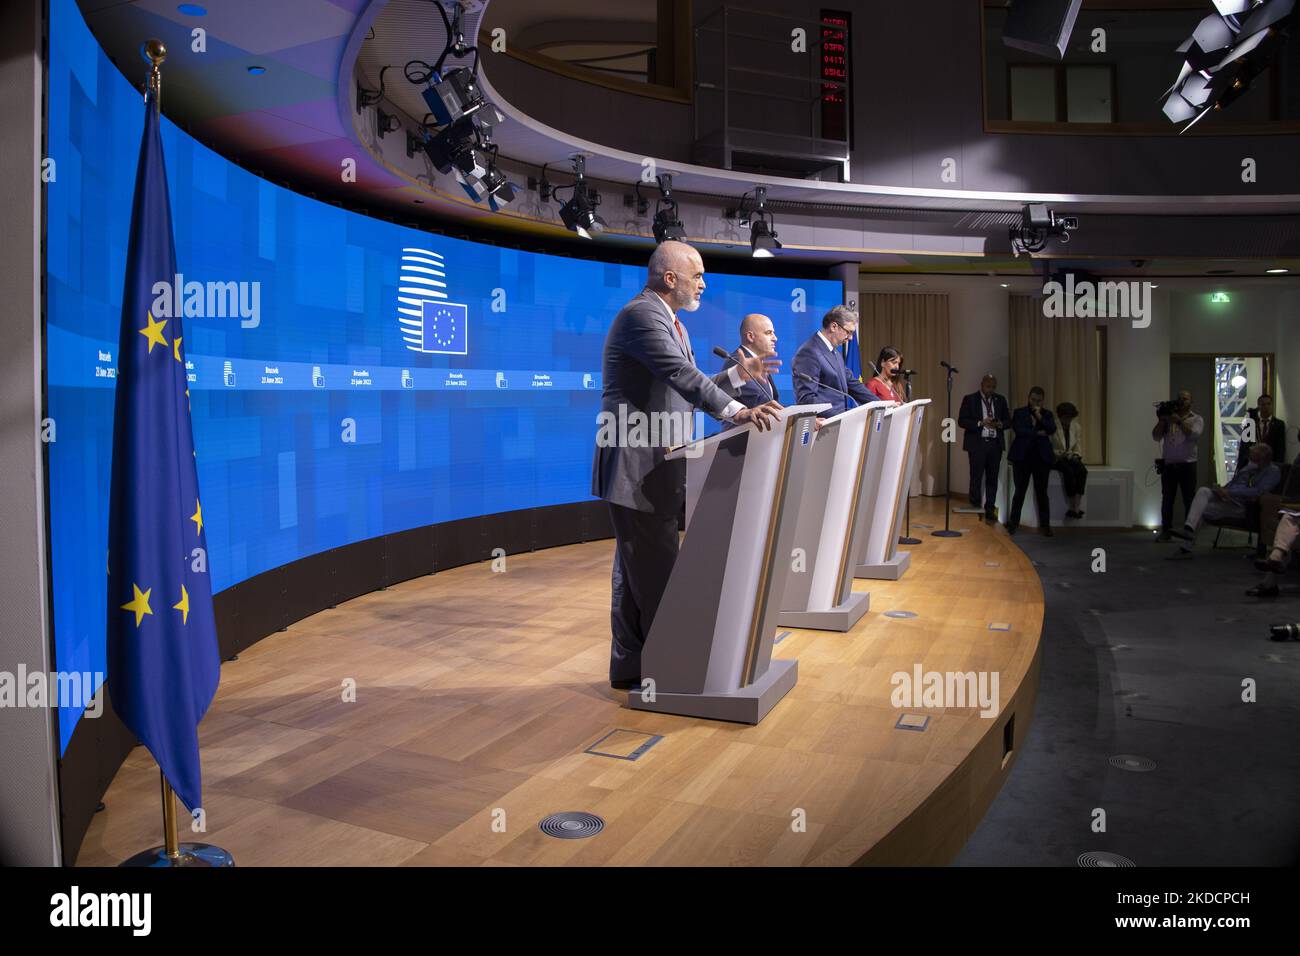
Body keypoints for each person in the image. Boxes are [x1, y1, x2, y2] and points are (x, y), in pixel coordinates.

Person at [592, 241, 781, 690]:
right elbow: (683, 376)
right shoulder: (643, 315)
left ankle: (633, 669)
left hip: (654, 469)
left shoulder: (669, 322)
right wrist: (737, 411)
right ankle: (673, 674)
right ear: (668, 278)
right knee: (656, 578)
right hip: (637, 467)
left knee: (636, 577)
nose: (703, 282)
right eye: (696, 273)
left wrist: (738, 374)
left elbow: (684, 385)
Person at [1172, 443, 1280, 553]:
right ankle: (1188, 529)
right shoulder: (1249, 467)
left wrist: (1230, 492)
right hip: (1228, 499)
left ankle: (1186, 545)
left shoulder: (1273, 471)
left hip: (1241, 506)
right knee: (1203, 491)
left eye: (1253, 453)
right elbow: (1234, 483)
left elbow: (1258, 491)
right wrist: (1221, 490)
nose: (1250, 455)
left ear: (1261, 456)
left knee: (1201, 509)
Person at [791, 305, 875, 418]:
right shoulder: (809, 352)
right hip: (825, 425)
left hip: (839, 423)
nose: (850, 338)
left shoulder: (834, 351)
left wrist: (880, 404)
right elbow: (806, 398)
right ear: (834, 326)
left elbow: (852, 383)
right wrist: (840, 417)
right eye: (848, 332)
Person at [958, 374, 1011, 522]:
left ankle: (990, 509)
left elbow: (1008, 421)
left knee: (992, 479)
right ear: (982, 385)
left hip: (995, 444)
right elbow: (962, 421)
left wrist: (1000, 424)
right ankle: (974, 507)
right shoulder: (970, 399)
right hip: (977, 443)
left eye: (993, 387)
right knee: (976, 477)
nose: (991, 390)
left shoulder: (1000, 400)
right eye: (988, 386)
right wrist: (980, 423)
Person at [1152, 390, 1203, 541]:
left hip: (1188, 465)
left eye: (1185, 399)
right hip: (1169, 465)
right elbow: (1156, 437)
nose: (1182, 401)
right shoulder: (1168, 419)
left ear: (1191, 402)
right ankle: (1166, 530)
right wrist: (1162, 420)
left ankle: (1189, 532)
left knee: (1188, 499)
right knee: (1167, 499)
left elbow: (1194, 435)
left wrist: (1179, 421)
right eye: (1179, 399)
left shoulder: (1197, 419)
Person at [1006, 386, 1057, 536]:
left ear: (1043, 401)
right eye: (1033, 400)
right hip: (1022, 457)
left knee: (1042, 492)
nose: (1036, 403)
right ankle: (1013, 523)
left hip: (1041, 458)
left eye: (1039, 401)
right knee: (1019, 491)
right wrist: (1038, 433)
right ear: (1028, 398)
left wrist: (1040, 417)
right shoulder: (1020, 412)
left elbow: (1051, 429)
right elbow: (1020, 430)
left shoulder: (1047, 414)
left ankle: (1045, 525)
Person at [719, 313, 779, 430]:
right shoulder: (737, 362)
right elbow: (759, 402)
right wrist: (798, 416)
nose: (775, 338)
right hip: (741, 441)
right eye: (768, 333)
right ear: (750, 337)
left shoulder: (756, 362)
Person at [1051, 401, 1088, 519]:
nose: (1068, 420)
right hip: (1056, 457)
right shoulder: (1053, 426)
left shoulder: (1076, 426)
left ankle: (1076, 506)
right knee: (1068, 471)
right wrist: (1060, 453)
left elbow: (1078, 444)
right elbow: (1048, 446)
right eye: (1065, 417)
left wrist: (1076, 455)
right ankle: (1072, 506)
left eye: (1070, 418)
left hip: (1070, 456)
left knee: (1082, 471)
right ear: (1060, 416)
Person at [1237, 393, 1286, 469]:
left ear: (1272, 405)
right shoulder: (1251, 424)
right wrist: (1241, 465)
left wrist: (1279, 466)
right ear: (1259, 406)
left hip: (1271, 464)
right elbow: (1244, 446)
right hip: (1253, 464)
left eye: (1268, 404)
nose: (1266, 407)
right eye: (1263, 404)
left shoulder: (1278, 424)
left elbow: (1280, 448)